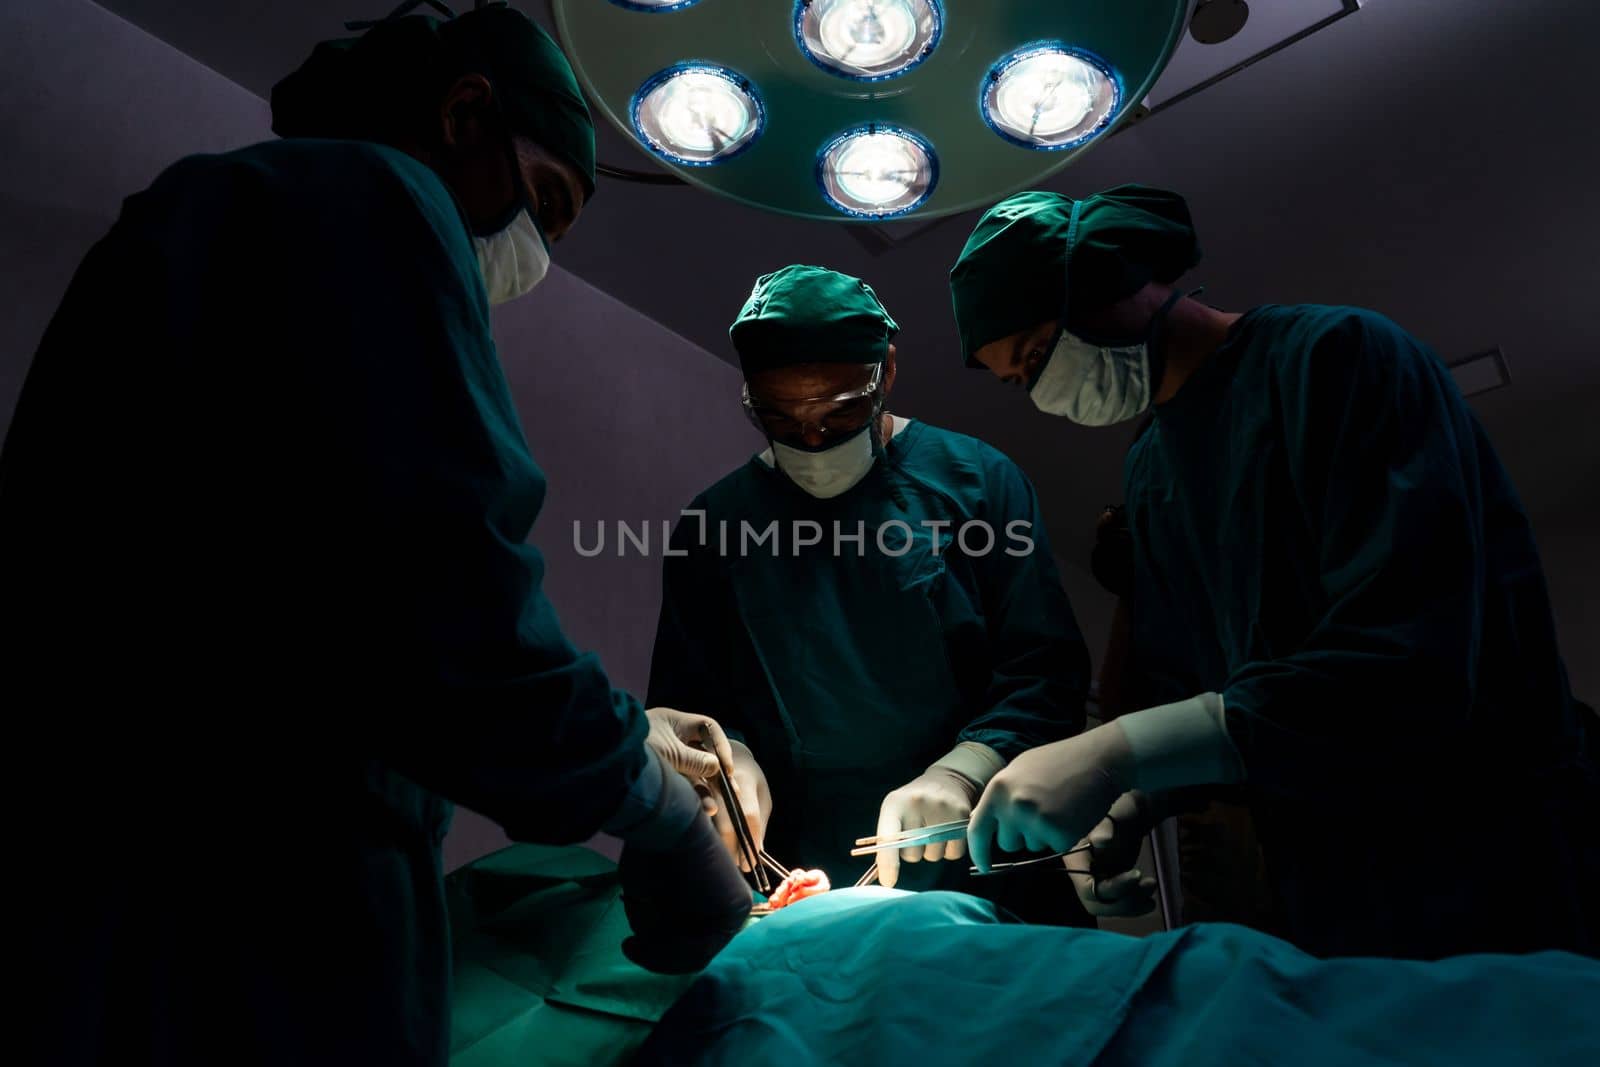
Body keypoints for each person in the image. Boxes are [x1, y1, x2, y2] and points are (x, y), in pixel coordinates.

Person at [4, 4, 748, 1065]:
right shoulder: (365, 192)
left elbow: (328, 583)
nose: (530, 251)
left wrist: (617, 735)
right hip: (231, 903)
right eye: (542, 201)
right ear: (463, 113)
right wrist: (654, 803)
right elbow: (447, 596)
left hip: (114, 878)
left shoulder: (206, 220)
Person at [947, 184, 1599, 958]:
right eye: (1018, 381)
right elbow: (1209, 688)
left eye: (1035, 356)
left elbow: (1411, 662)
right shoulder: (1153, 464)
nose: (1040, 389)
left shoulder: (1338, 359)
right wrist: (1139, 799)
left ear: (1100, 281)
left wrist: (1120, 749)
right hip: (1328, 875)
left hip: (1483, 843)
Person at [647, 264, 1094, 925]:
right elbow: (688, 704)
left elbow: (1046, 672)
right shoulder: (713, 527)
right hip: (809, 881)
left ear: (884, 372)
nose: (813, 438)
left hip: (984, 860)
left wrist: (965, 768)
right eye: (779, 416)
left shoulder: (977, 483)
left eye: (840, 410)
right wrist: (725, 761)